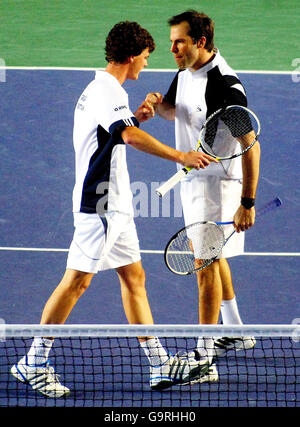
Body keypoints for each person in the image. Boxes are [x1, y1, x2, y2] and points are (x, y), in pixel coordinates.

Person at [10, 21, 217, 397]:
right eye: (146, 57)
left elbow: (117, 131)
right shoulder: (107, 91)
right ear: (131, 56)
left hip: (118, 205)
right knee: (78, 281)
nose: (147, 65)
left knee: (133, 278)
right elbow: (127, 137)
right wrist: (181, 155)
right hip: (101, 206)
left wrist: (135, 116)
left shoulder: (106, 91)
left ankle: (158, 363)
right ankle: (33, 362)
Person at [144, 10, 261, 384]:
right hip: (194, 182)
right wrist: (156, 105)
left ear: (201, 42)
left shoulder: (226, 87)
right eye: (172, 41)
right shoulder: (185, 71)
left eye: (180, 41)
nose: (172, 48)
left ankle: (204, 356)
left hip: (217, 187)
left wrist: (247, 203)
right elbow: (177, 112)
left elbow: (251, 146)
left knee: (204, 266)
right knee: (212, 259)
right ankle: (235, 330)